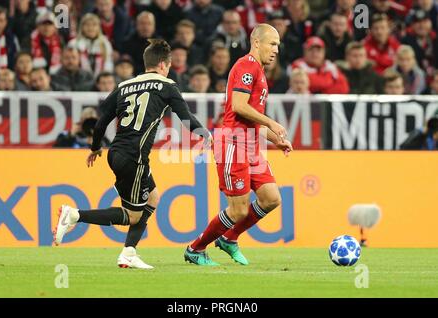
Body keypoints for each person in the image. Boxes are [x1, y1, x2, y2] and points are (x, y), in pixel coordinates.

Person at [54, 39, 211, 269]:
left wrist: (96, 147)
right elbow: (185, 117)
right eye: (168, 65)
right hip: (134, 157)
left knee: (154, 196)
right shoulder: (167, 85)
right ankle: (74, 215)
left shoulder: (124, 86)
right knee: (133, 216)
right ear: (162, 64)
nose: (168, 70)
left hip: (115, 152)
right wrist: (205, 134)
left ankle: (129, 252)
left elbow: (99, 124)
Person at [184, 24, 293, 266]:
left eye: (278, 45)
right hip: (233, 144)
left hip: (250, 144)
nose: (276, 49)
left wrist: (276, 139)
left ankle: (229, 239)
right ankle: (195, 248)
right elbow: (239, 106)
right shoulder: (246, 65)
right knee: (238, 210)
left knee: (271, 198)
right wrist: (273, 123)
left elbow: (250, 118)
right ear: (256, 42)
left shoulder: (260, 71)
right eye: (272, 43)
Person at [68, 13, 114, 78]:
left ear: (99, 27)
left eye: (94, 25)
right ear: (82, 27)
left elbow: (108, 64)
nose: (90, 28)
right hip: (79, 79)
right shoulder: (73, 44)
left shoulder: (105, 43)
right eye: (87, 25)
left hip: (101, 81)